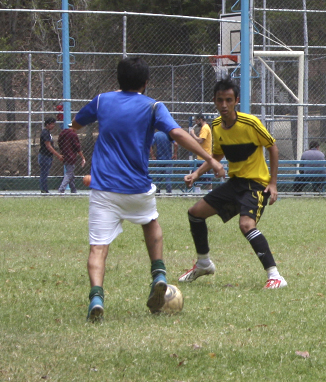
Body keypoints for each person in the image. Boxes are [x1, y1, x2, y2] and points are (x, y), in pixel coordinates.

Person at [71, 57, 222, 322]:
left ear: (118, 79)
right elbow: (177, 134)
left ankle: (96, 297)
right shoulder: (153, 106)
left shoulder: (102, 101)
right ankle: (159, 275)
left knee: (98, 247)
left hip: (104, 188)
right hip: (137, 188)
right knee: (150, 222)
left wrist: (72, 130)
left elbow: (77, 123)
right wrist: (208, 159)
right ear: (146, 82)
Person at [178, 77, 286, 289]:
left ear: (236, 100)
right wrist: (197, 174)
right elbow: (217, 155)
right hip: (235, 183)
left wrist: (273, 183)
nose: (224, 105)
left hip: (256, 184)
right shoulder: (216, 125)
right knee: (195, 213)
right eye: (220, 100)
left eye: (229, 100)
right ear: (215, 101)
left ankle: (275, 276)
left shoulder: (250, 123)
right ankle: (203, 263)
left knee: (246, 225)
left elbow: (272, 147)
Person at [57, 127, 86, 193]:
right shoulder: (73, 134)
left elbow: (59, 143)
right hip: (71, 156)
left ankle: (73, 189)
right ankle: (61, 189)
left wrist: (62, 152)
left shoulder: (62, 133)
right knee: (69, 173)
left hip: (65, 155)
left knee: (71, 173)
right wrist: (82, 157)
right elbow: (77, 147)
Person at [38, 117, 63, 193]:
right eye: (52, 124)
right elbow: (48, 146)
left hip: (48, 156)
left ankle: (44, 188)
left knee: (45, 172)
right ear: (47, 124)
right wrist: (58, 155)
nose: (53, 126)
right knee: (44, 173)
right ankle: (44, 189)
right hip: (44, 156)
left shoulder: (48, 132)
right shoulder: (45, 133)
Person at [189, 113, 213, 190]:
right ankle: (197, 193)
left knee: (199, 177)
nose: (196, 123)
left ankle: (206, 192)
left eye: (196, 121)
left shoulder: (205, 128)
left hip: (203, 158)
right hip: (203, 157)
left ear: (200, 120)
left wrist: (193, 134)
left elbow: (200, 140)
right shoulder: (204, 127)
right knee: (199, 178)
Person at [151, 129, 178, 193]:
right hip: (168, 158)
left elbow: (150, 145)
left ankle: (157, 191)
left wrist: (152, 155)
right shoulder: (169, 134)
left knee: (158, 177)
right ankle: (169, 192)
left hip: (159, 158)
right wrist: (175, 154)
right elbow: (176, 144)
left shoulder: (156, 135)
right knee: (168, 177)